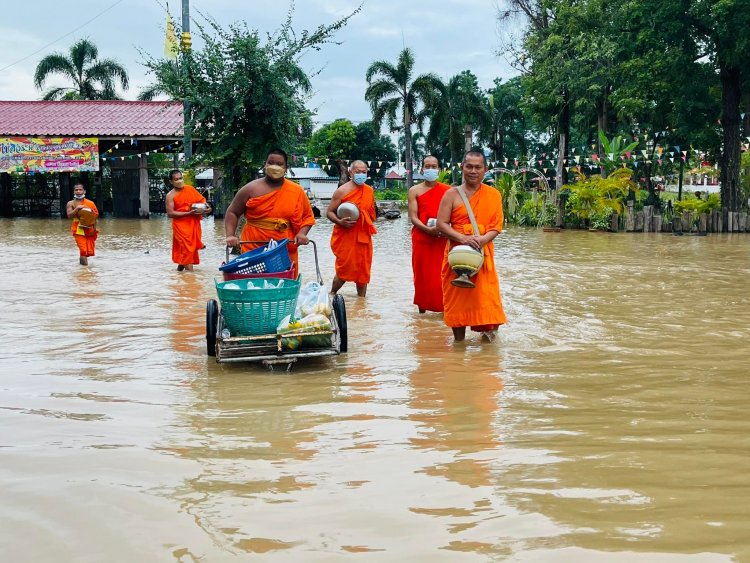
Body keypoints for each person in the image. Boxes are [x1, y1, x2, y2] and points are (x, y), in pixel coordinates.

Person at [436, 150, 507, 342]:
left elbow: (496, 226)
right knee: (457, 303)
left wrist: (482, 240)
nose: (473, 171)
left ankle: (487, 347)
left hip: (482, 255)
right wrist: (463, 238)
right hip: (457, 256)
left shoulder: (493, 195)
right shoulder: (451, 194)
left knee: (489, 303)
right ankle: (459, 345)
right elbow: (440, 224)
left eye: (477, 167)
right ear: (462, 167)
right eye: (469, 166)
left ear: (485, 170)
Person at [224, 149, 315, 276]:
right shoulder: (250, 189)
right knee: (253, 282)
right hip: (253, 246)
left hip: (284, 246)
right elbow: (232, 212)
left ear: (286, 168)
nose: (275, 167)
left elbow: (308, 217)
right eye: (271, 163)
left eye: (279, 164)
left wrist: (302, 233)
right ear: (265, 165)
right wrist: (230, 235)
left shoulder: (297, 191)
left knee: (284, 283)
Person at [327, 160, 378, 297]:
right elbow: (329, 212)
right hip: (346, 235)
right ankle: (332, 294)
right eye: (358, 172)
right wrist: (340, 221)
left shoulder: (369, 190)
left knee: (363, 270)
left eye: (364, 172)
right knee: (344, 269)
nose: (361, 174)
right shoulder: (341, 191)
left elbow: (371, 213)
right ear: (351, 172)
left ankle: (361, 302)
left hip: (363, 236)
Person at [408, 155, 450, 313]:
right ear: (421, 169)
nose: (431, 169)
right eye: (427, 166)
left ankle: (445, 309)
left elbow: (454, 214)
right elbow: (413, 217)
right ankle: (422, 310)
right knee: (422, 276)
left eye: (434, 166)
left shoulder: (448, 191)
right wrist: (428, 230)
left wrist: (445, 229)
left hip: (442, 238)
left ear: (439, 169)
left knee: (443, 275)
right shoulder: (414, 190)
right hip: (422, 238)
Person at [166, 170, 211, 272]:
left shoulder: (190, 189)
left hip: (193, 224)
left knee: (187, 250)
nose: (179, 180)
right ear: (171, 182)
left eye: (180, 178)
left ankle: (179, 273)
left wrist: (207, 208)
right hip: (180, 226)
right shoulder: (170, 196)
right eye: (176, 179)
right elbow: (171, 213)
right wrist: (188, 213)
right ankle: (191, 277)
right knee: (186, 250)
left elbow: (202, 201)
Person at [66, 182, 99, 266]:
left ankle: (83, 270)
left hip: (89, 228)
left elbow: (95, 217)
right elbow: (69, 215)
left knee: (87, 252)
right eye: (76, 190)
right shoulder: (70, 203)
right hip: (78, 229)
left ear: (84, 191)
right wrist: (77, 208)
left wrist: (94, 230)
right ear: (74, 192)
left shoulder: (91, 203)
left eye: (80, 190)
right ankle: (86, 270)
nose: (78, 191)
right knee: (83, 250)